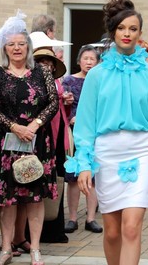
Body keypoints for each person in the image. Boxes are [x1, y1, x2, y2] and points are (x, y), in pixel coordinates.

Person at [65, 0, 148, 265]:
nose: (127, 34)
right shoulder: (97, 75)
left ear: (140, 34)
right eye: (121, 28)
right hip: (106, 156)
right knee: (113, 231)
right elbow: (85, 124)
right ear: (113, 32)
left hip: (142, 152)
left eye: (133, 29)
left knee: (131, 227)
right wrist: (83, 162)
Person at [0, 10, 58, 265]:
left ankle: (35, 248)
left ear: (29, 46)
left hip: (37, 142)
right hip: (6, 144)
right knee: (8, 198)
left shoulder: (42, 73)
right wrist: (16, 127)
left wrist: (34, 125)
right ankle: (5, 248)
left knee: (35, 197)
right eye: (11, 44)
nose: (17, 48)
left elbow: (53, 103)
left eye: (21, 44)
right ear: (4, 47)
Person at [33, 47, 73, 243]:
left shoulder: (57, 82)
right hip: (39, 134)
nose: (47, 66)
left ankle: (53, 228)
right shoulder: (30, 82)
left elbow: (62, 111)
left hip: (57, 133)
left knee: (56, 179)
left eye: (50, 63)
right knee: (35, 180)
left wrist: (66, 101)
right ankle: (32, 231)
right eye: (42, 62)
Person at [62, 45, 103, 234]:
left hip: (95, 132)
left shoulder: (101, 81)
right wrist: (69, 111)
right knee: (73, 176)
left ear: (98, 62)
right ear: (79, 61)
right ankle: (71, 218)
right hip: (74, 132)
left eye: (92, 59)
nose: (88, 62)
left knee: (93, 176)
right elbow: (61, 107)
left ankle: (91, 218)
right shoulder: (69, 80)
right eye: (85, 58)